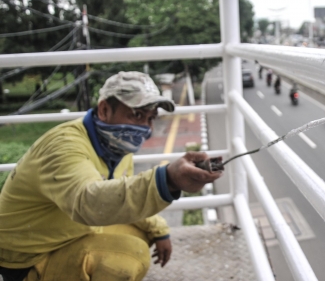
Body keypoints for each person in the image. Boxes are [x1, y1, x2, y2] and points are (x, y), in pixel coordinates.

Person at [0, 71, 222, 281]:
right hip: (26, 259)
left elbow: (118, 195)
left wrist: (159, 230)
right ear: (105, 109)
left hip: (65, 234)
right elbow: (89, 201)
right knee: (131, 256)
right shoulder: (64, 146)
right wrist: (169, 179)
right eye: (136, 115)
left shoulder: (115, 147)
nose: (145, 127)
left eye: (151, 117)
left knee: (139, 234)